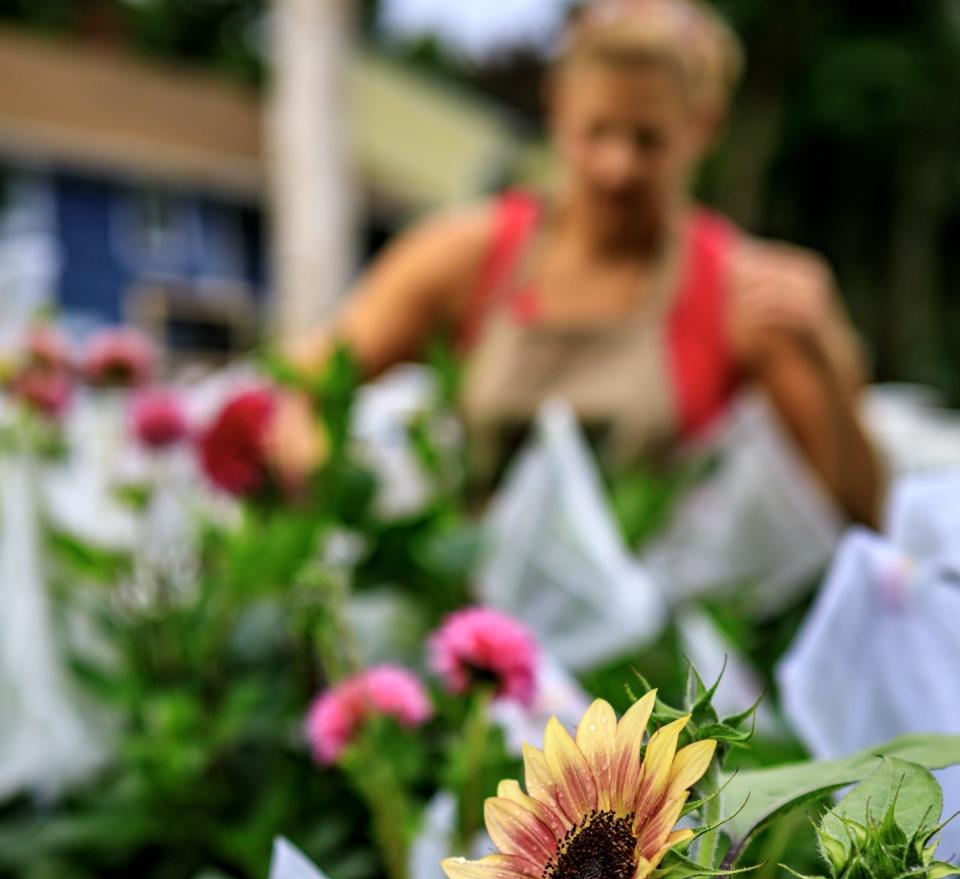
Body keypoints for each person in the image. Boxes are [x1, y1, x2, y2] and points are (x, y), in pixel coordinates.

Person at [271, 0, 881, 525]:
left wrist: (829, 353)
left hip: (647, 645)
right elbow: (305, 389)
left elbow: (854, 515)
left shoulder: (739, 293)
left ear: (704, 127)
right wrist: (319, 469)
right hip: (465, 620)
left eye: (648, 140)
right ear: (557, 108)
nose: (617, 168)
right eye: (596, 132)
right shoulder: (467, 256)